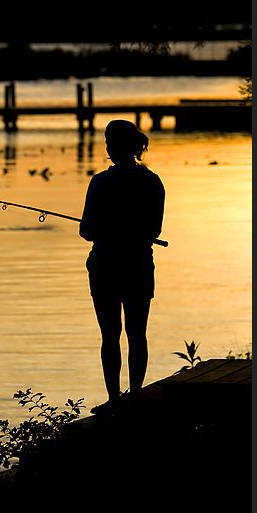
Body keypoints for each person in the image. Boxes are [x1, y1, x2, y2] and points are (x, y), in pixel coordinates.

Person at [79, 119, 166, 414]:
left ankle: (115, 399)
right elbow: (154, 229)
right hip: (139, 264)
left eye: (109, 142)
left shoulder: (100, 182)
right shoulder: (152, 181)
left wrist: (108, 229)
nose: (107, 147)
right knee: (137, 333)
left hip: (104, 265)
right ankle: (136, 395)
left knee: (110, 334)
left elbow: (86, 231)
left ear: (114, 148)